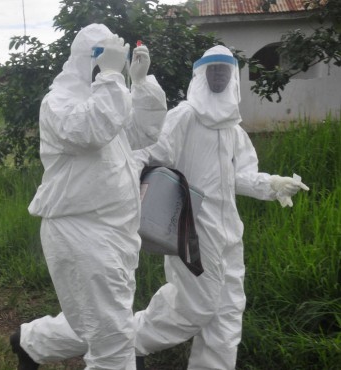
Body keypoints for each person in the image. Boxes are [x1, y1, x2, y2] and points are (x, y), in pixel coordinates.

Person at [132, 45, 309, 369]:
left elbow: (240, 177)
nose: (217, 75)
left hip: (229, 234)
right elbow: (154, 157)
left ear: (232, 77)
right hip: (190, 230)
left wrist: (272, 184)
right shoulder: (184, 117)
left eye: (223, 70)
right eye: (212, 69)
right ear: (201, 74)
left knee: (227, 313)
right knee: (195, 306)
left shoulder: (232, 129)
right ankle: (131, 341)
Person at [10, 23, 167, 369]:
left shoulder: (110, 96)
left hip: (117, 231)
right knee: (111, 338)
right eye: (101, 56)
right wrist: (111, 77)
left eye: (113, 57)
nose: (108, 64)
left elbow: (144, 134)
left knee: (104, 323)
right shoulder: (59, 103)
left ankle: (30, 342)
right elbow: (92, 130)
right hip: (80, 231)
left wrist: (139, 84)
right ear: (85, 58)